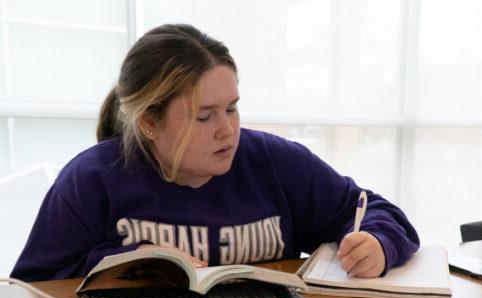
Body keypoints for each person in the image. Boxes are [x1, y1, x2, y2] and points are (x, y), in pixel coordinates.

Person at [11, 24, 419, 283]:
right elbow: (31, 290)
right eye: (204, 117)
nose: (227, 130)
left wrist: (379, 243)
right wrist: (127, 262)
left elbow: (372, 208)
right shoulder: (92, 178)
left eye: (232, 108)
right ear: (150, 123)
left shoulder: (272, 161)